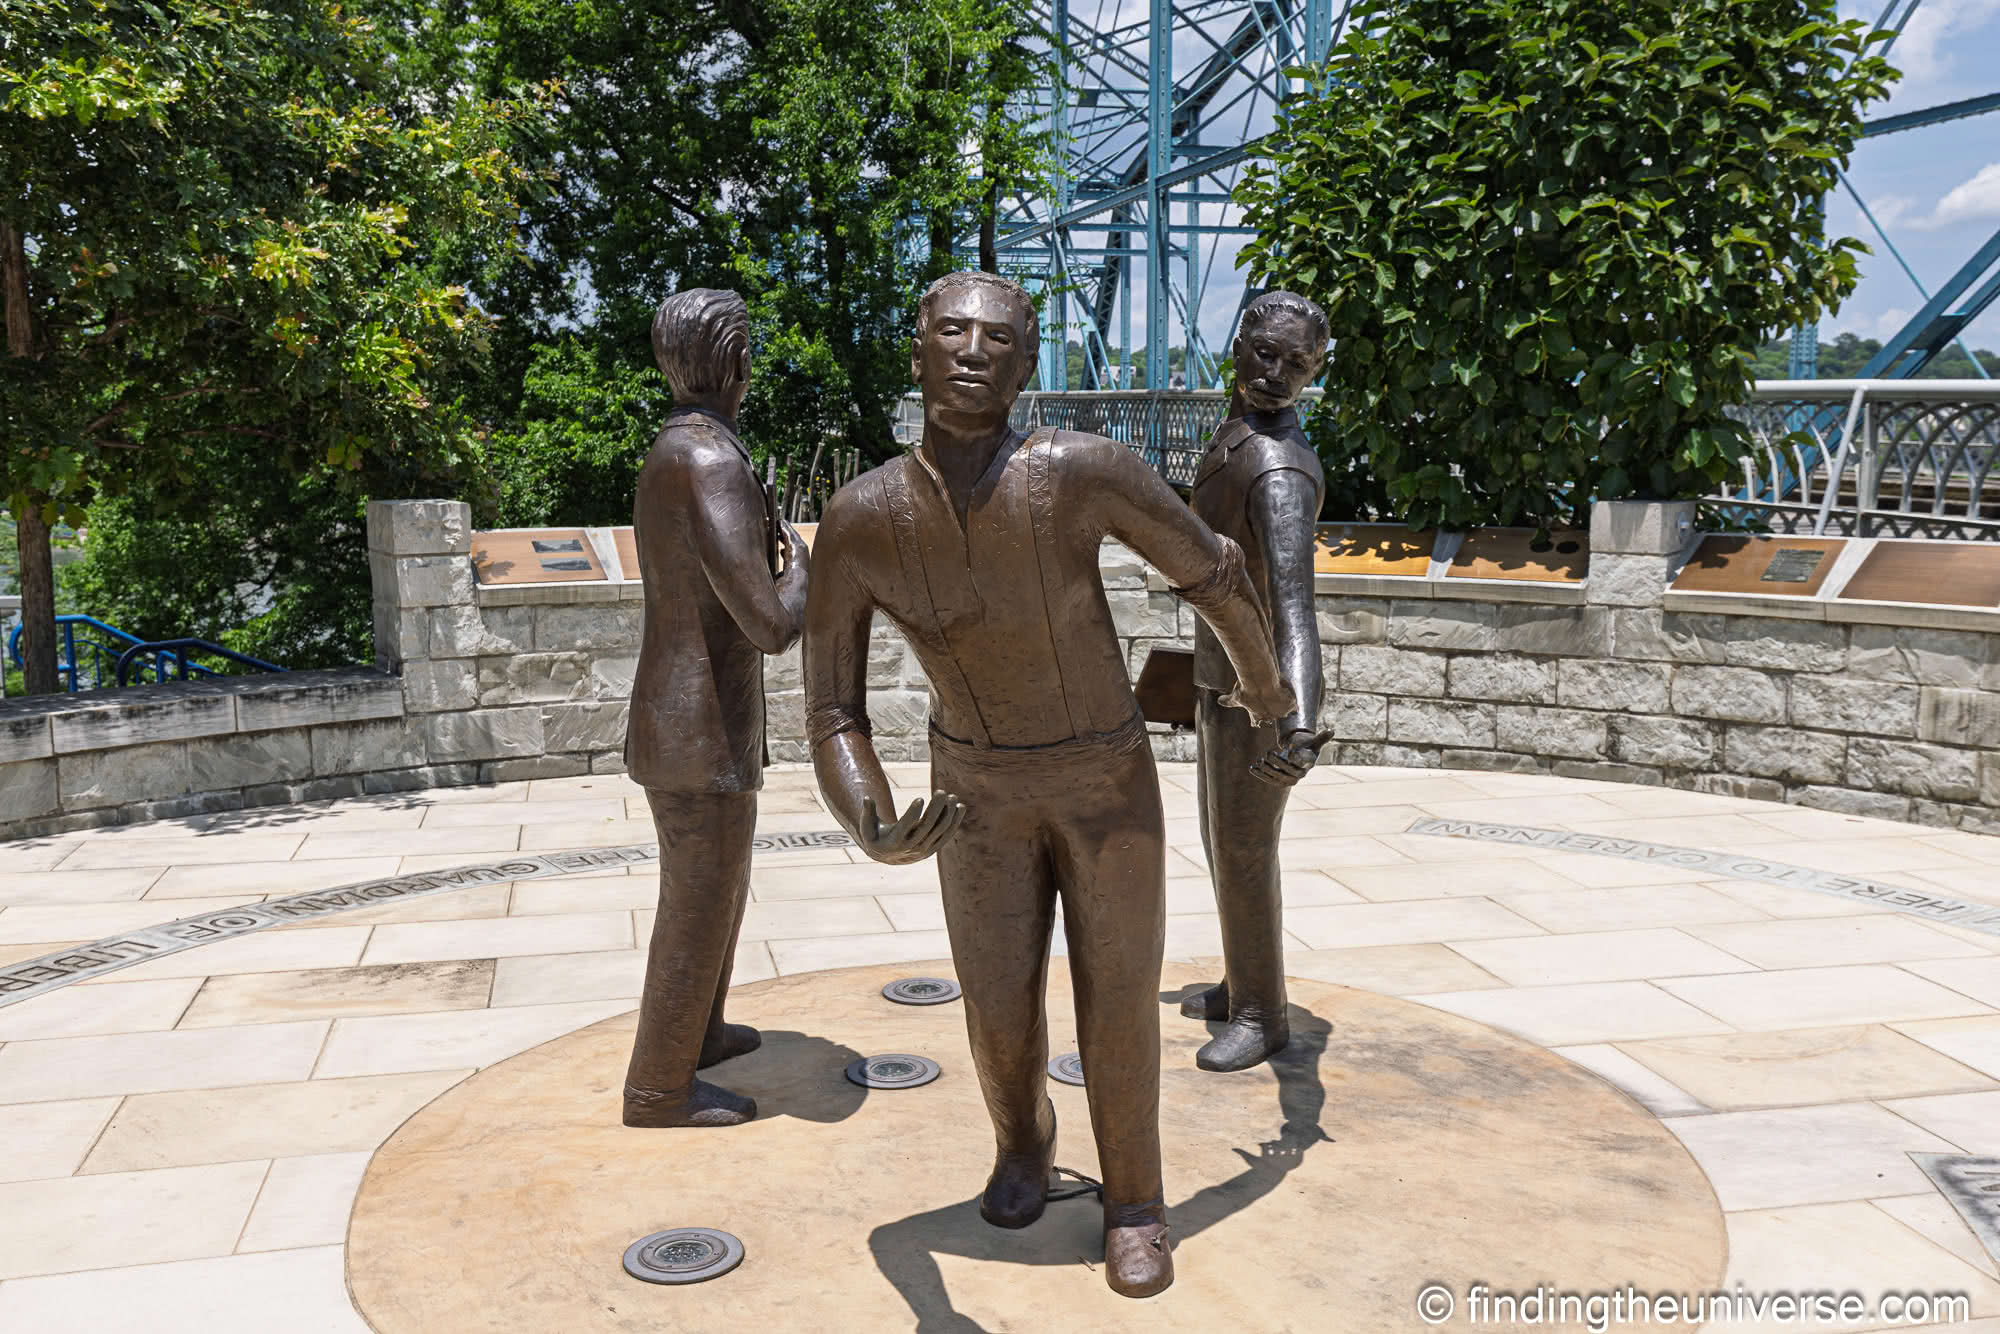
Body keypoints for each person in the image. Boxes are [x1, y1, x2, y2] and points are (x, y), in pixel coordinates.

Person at [802, 271, 1293, 1299]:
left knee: (1117, 1001)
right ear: (917, 351)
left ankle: (1134, 1202)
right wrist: (872, 820)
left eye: (997, 337)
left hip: (1102, 781)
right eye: (950, 331)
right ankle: (1021, 1143)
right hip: (973, 793)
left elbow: (1210, 570)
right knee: (995, 1010)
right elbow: (831, 711)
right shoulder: (860, 518)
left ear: (1027, 363)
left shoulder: (1081, 472)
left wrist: (1263, 690)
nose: (972, 350)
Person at [622, 287, 808, 1128]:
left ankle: (700, 1033)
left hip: (691, 720)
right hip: (698, 728)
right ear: (733, 362)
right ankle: (659, 1086)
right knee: (699, 896)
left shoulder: (676, 448)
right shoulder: (710, 462)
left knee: (718, 885)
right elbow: (769, 623)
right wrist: (806, 571)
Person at [1180, 291, 1334, 1072]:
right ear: (1237, 342)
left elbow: (1296, 611)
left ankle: (1261, 1013)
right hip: (1220, 678)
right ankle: (1246, 976)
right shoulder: (1235, 434)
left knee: (1244, 849)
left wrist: (1298, 725)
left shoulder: (1277, 470)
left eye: (1296, 364)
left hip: (1259, 696)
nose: (1274, 374)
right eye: (1264, 353)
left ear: (1316, 373)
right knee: (1219, 841)